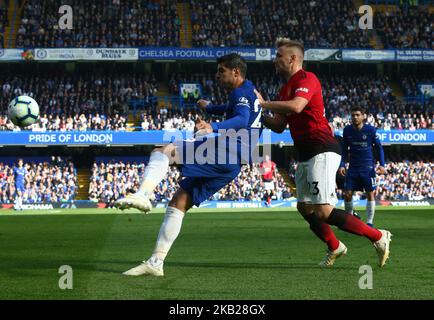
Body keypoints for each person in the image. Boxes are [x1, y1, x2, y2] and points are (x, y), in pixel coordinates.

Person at [114, 53, 263, 276]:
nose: (217, 75)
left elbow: (241, 119)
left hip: (227, 151)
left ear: (236, 72)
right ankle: (156, 262)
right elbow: (235, 110)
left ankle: (143, 194)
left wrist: (213, 126)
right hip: (233, 163)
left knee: (163, 151)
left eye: (221, 71)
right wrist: (211, 107)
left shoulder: (241, 93)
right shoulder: (247, 91)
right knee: (179, 201)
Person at [255, 38, 392, 267]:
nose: (274, 60)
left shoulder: (307, 79)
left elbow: (297, 105)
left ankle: (378, 236)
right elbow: (279, 125)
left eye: (279, 56)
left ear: (293, 58)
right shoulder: (285, 88)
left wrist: (264, 104)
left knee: (324, 211)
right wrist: (257, 115)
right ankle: (335, 246)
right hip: (306, 153)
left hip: (323, 148)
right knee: (304, 207)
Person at [338, 106, 386, 227]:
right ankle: (349, 220)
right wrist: (342, 164)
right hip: (353, 167)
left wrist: (382, 164)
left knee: (370, 193)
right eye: (353, 115)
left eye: (357, 115)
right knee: (347, 194)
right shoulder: (347, 130)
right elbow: (344, 149)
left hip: (368, 167)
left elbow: (379, 147)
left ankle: (369, 222)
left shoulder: (370, 130)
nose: (355, 117)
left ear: (363, 116)